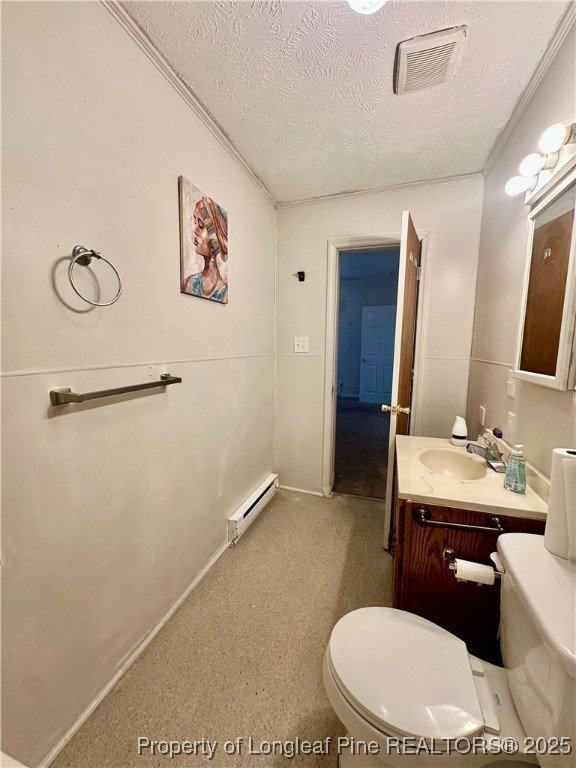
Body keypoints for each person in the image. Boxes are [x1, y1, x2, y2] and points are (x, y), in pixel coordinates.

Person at [183, 196, 228, 303]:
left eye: (201, 225)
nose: (195, 230)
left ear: (216, 238)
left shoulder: (225, 293)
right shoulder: (189, 283)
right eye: (195, 223)